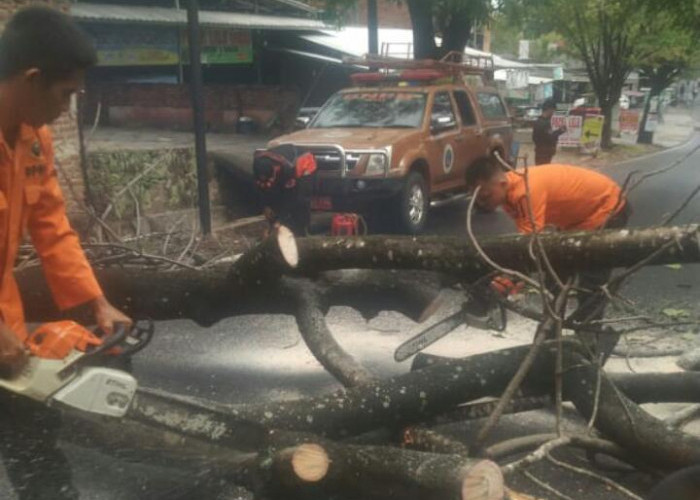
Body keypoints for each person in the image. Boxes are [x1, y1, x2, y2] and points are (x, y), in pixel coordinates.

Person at [0, 7, 132, 498]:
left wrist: (94, 303)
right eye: (66, 94)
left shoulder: (35, 140)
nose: (69, 108)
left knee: (31, 434)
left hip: (4, 317)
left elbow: (52, 229)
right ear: (32, 79)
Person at [466, 159, 630, 357]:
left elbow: (530, 248)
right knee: (555, 278)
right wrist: (508, 280)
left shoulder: (526, 190)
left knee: (591, 283)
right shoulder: (510, 195)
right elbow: (528, 244)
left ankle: (588, 346)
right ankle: (549, 340)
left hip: (608, 209)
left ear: (501, 183)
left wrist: (502, 285)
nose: (482, 202)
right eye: (477, 198)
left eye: (485, 196)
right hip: (576, 223)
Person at [532, 98, 566, 165]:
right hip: (545, 154)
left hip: (539, 151)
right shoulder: (545, 123)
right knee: (543, 172)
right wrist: (560, 131)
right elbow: (550, 138)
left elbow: (534, 138)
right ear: (549, 109)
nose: (553, 113)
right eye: (553, 110)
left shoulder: (538, 121)